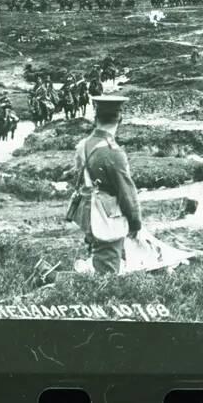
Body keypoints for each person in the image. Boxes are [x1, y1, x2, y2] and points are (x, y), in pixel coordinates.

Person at [70, 95, 142, 275]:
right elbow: (127, 193)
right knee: (107, 275)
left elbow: (77, 179)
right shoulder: (113, 152)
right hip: (107, 217)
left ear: (96, 117)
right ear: (120, 119)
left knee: (97, 260)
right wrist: (135, 223)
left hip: (87, 212)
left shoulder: (83, 145)